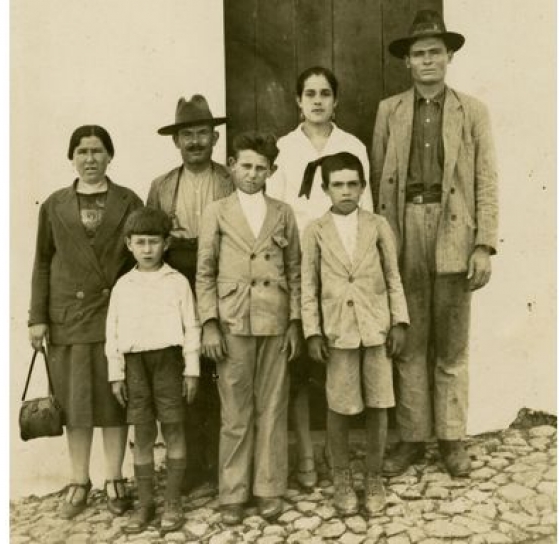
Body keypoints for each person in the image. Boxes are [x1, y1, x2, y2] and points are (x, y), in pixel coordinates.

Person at [370, 10, 499, 478]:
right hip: (404, 228)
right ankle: (413, 436)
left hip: (453, 234)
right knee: (408, 342)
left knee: (451, 345)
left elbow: (485, 179)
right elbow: (380, 177)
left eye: (435, 53)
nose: (427, 61)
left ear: (449, 57)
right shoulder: (390, 110)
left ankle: (450, 438)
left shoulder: (473, 111)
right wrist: (384, 246)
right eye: (418, 54)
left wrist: (483, 244)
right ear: (408, 62)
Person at [265, 66, 374, 488]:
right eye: (309, 93)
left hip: (344, 267)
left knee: (342, 357)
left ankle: (342, 453)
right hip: (300, 261)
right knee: (300, 362)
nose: (316, 100)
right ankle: (307, 456)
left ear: (336, 100)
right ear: (297, 100)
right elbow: (276, 210)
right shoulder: (285, 148)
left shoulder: (352, 146)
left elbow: (369, 212)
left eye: (325, 93)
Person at [28, 125, 144, 519]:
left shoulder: (128, 201)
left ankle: (114, 478)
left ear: (110, 156)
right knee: (75, 404)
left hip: (115, 317)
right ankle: (79, 480)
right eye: (82, 151)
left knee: (115, 400)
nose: (90, 158)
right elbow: (42, 262)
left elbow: (140, 261)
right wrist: (36, 318)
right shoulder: (54, 205)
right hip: (69, 319)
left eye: (97, 151)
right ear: (71, 158)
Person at [196, 131, 302, 525]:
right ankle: (233, 491)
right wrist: (209, 323)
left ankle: (269, 487)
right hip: (232, 322)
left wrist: (294, 323)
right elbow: (204, 272)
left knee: (273, 407)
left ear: (271, 170)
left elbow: (294, 270)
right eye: (246, 166)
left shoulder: (283, 212)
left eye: (261, 168)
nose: (253, 174)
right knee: (235, 411)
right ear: (231, 166)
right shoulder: (217, 212)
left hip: (274, 322)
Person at [301, 152, 409, 516]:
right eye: (338, 185)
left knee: (379, 402)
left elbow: (393, 277)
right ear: (325, 189)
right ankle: (343, 477)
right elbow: (308, 286)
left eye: (352, 184)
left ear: (363, 187)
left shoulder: (378, 225)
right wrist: (313, 332)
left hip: (376, 327)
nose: (345, 191)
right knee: (341, 405)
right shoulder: (315, 230)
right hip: (338, 331)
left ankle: (374, 476)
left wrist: (399, 322)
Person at [147, 94, 233, 492]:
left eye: (202, 133)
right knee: (185, 369)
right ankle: (192, 465)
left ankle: (223, 467)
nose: (195, 141)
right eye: (187, 134)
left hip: (221, 273)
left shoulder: (230, 179)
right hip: (178, 277)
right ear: (175, 141)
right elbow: (152, 244)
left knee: (221, 369)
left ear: (215, 138)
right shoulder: (161, 186)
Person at [106, 207, 200, 534]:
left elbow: (192, 326)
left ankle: (173, 501)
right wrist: (115, 374)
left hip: (169, 362)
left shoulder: (177, 283)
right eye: (140, 242)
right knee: (143, 432)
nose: (147, 249)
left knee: (173, 429)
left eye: (153, 242)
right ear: (129, 244)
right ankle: (146, 502)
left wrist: (192, 370)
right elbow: (113, 333)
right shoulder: (123, 286)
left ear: (166, 244)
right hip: (135, 365)